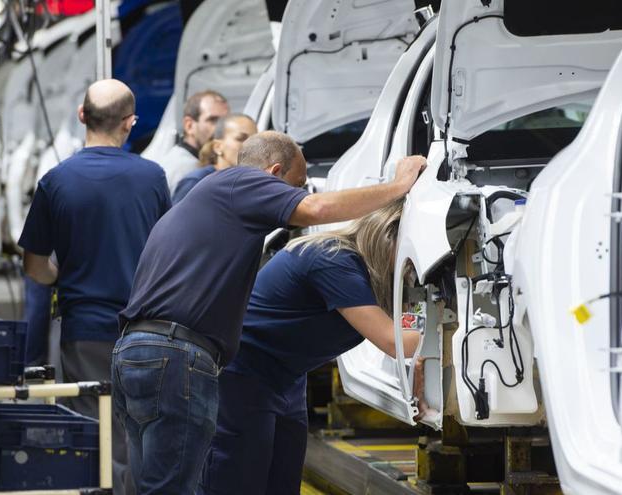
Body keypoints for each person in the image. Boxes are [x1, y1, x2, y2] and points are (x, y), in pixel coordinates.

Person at [113, 130, 425, 495]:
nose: (295, 199)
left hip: (147, 351)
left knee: (158, 484)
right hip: (182, 356)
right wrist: (398, 186)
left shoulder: (221, 206)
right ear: (274, 173)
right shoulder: (239, 182)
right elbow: (317, 209)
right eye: (296, 186)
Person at [201, 200, 419, 494]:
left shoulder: (371, 279)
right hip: (242, 374)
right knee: (237, 480)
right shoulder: (335, 260)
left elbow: (403, 340)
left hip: (287, 378)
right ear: (388, 235)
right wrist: (451, 335)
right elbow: (392, 341)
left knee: (281, 482)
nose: (412, 268)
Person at [19, 79, 170, 495]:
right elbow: (167, 252)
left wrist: (63, 276)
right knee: (143, 434)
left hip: (84, 331)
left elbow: (34, 267)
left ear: (82, 115)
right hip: (146, 330)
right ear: (130, 123)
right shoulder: (153, 177)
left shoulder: (56, 181)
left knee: (94, 433)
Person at [171, 113, 257, 203]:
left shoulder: (255, 182)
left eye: (255, 139)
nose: (250, 145)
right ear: (218, 147)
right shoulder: (196, 182)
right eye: (240, 139)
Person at [162, 90, 229, 194]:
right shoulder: (185, 170)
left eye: (225, 121)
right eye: (213, 120)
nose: (221, 128)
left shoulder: (193, 165)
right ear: (189, 126)